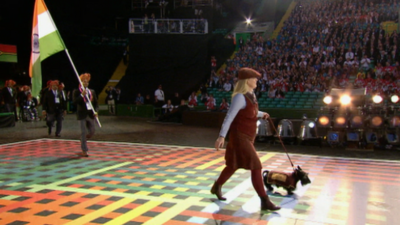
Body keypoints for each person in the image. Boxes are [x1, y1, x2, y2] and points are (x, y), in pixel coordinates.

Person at [213, 67, 281, 211]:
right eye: (254, 78)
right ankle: (265, 201)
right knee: (256, 166)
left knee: (233, 165)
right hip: (239, 136)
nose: (256, 80)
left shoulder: (251, 95)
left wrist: (262, 114)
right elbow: (230, 116)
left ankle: (217, 186)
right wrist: (222, 136)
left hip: (248, 137)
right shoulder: (240, 97)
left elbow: (250, 112)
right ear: (247, 81)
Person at [73, 73, 98, 157]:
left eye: (87, 82)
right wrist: (81, 95)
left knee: (92, 131)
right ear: (81, 82)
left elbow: (96, 104)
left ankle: (83, 139)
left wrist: (96, 112)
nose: (85, 83)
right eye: (84, 81)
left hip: (90, 114)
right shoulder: (76, 91)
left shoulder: (92, 92)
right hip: (82, 115)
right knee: (83, 132)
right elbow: (75, 102)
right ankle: (84, 150)